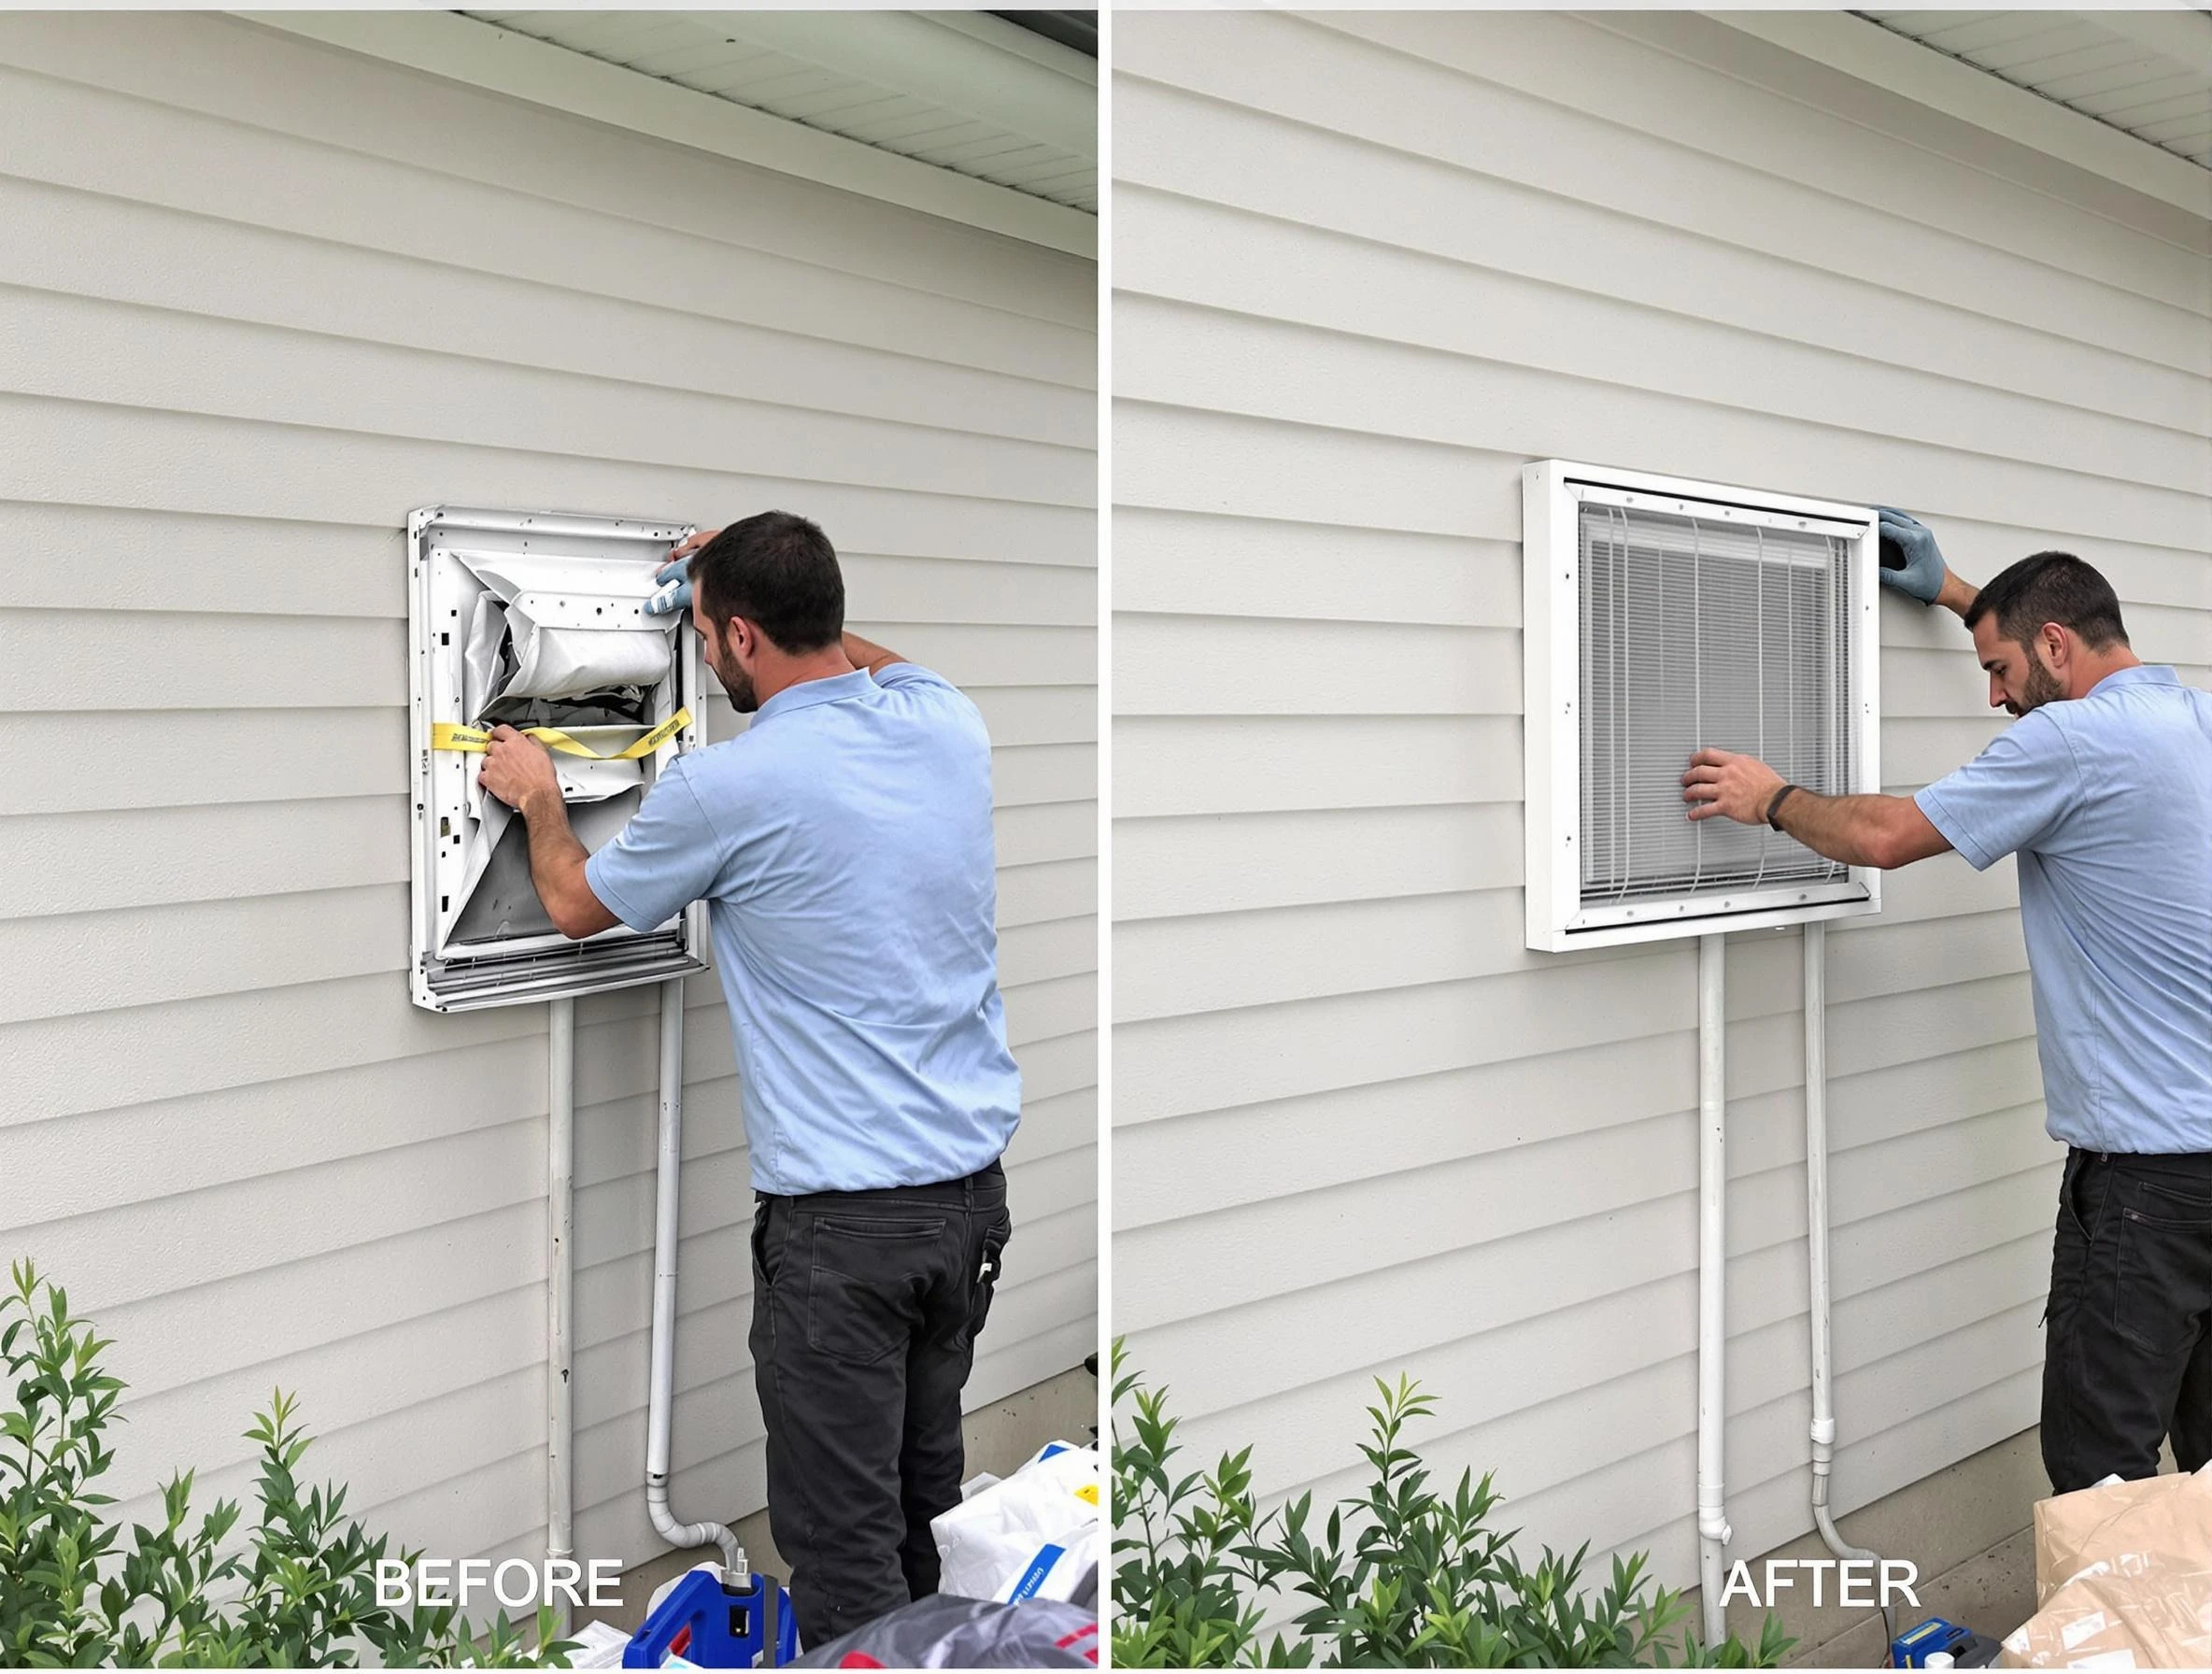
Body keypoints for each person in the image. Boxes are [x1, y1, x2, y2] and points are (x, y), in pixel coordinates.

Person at [474, 510, 1021, 1644]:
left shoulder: (732, 785)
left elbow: (576, 906)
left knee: (841, 1549)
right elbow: (865, 660)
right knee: (923, 1508)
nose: (708, 661)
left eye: (713, 640)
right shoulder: (946, 723)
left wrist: (536, 792)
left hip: (845, 1242)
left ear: (732, 635)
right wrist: (765, 588)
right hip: (964, 1213)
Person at [1680, 510, 2212, 1494]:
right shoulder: (2189, 717)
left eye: (1999, 669)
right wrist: (1964, 596)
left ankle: (2117, 1648)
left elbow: (1887, 833)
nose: (1995, 695)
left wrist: (1774, 797)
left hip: (2149, 1185)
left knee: (2102, 1470)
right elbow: (2061, 645)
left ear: (2052, 646)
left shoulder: (2070, 741)